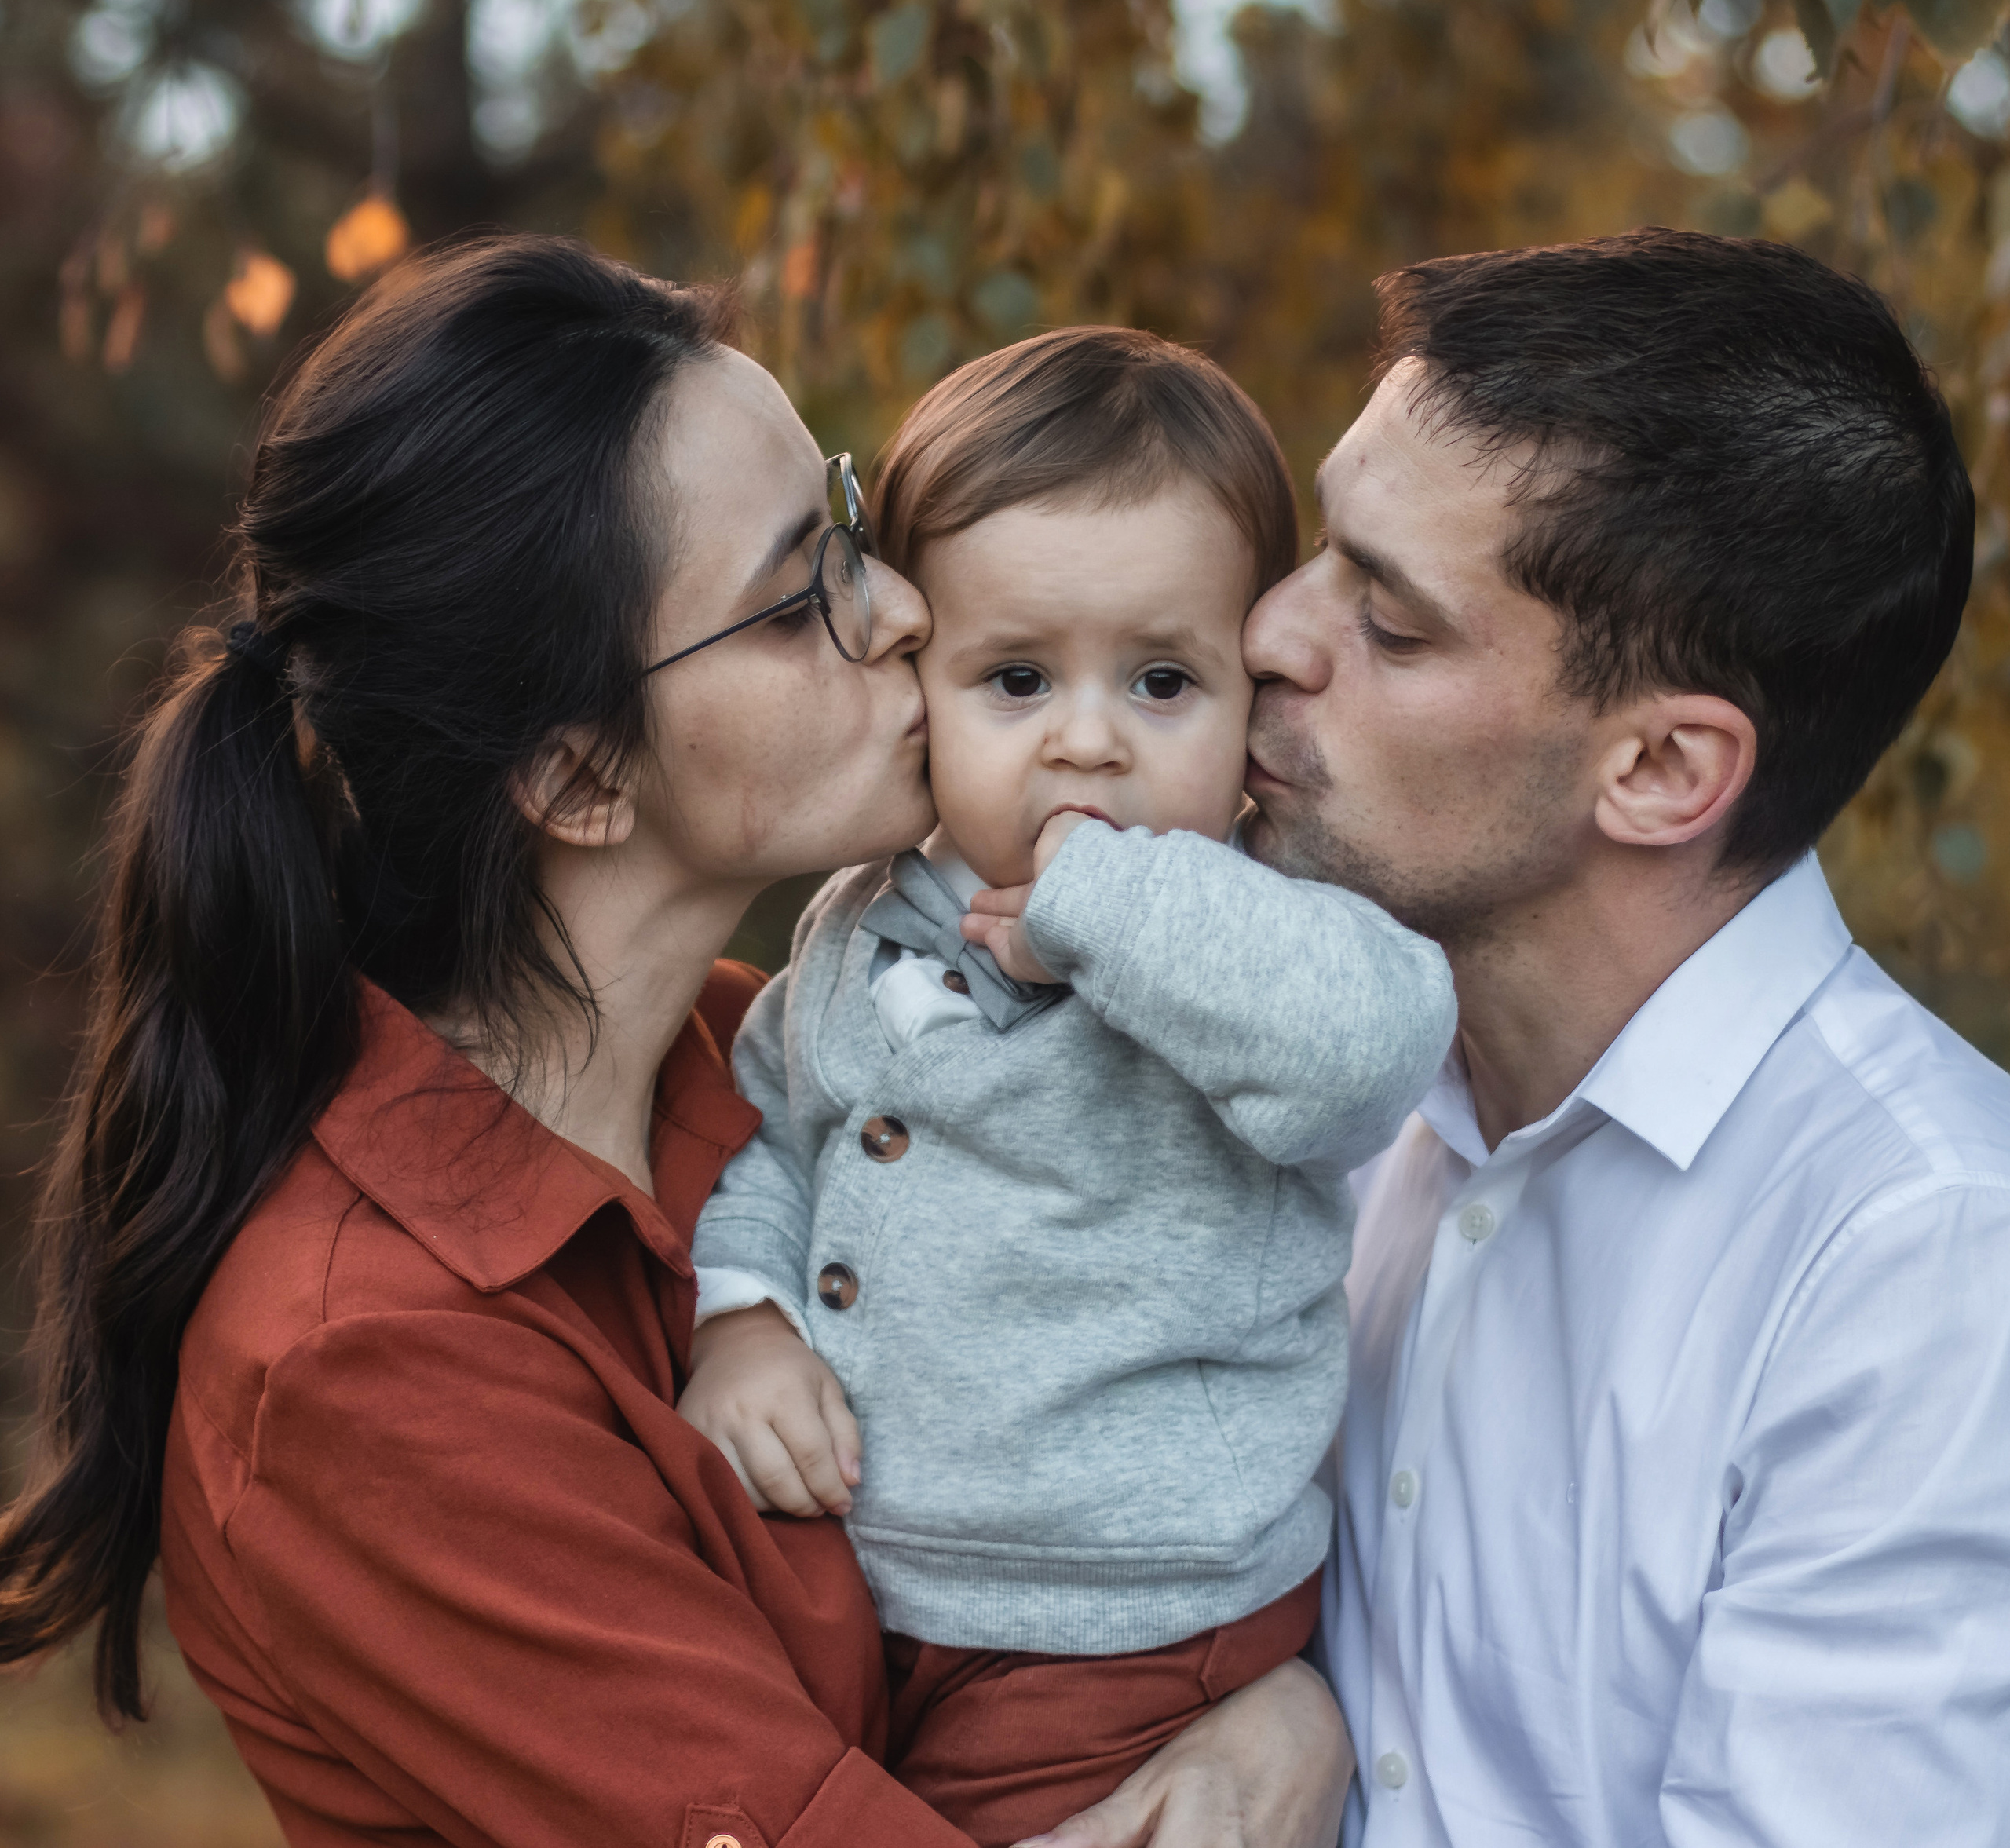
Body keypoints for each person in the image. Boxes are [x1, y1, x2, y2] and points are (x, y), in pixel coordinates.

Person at [0, 237, 1349, 1848]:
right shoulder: (363, 1364)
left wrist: (1265, 1689)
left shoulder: (765, 1047)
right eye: (796, 598)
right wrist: (1276, 1737)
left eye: (847, 522)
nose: (902, 606)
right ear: (580, 776)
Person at [1232, 228, 2010, 1846]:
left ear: (1660, 771)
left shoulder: (1925, 1265)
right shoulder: (1319, 1090)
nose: (1270, 634)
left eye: (1389, 621)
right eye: (1320, 547)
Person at [677, 328, 1456, 1846]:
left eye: (1163, 681)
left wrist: (1101, 907)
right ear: (920, 683)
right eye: (1017, 679)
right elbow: (774, 1135)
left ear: (1247, 699)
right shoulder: (859, 925)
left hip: (1134, 1623)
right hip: (892, 1588)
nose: (1087, 740)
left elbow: (1367, 1051)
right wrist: (743, 1319)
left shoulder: (1249, 929)